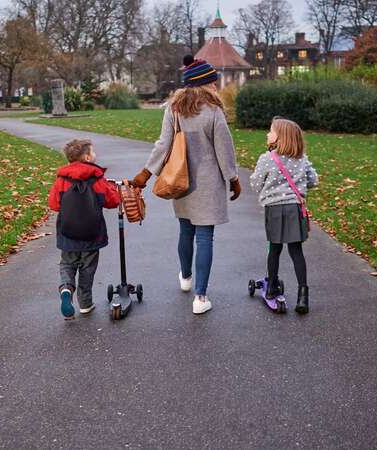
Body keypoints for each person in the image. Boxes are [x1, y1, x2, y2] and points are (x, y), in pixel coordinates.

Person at [130, 56, 240, 315]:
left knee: (185, 230)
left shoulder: (174, 109)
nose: (216, 86)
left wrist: (147, 173)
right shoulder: (213, 111)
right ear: (205, 84)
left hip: (181, 182)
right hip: (209, 183)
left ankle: (186, 277)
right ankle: (200, 297)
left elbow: (163, 144)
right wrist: (233, 179)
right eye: (213, 82)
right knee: (205, 238)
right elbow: (224, 149)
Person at [249, 117, 318, 314]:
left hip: (274, 209)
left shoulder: (266, 159)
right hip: (295, 209)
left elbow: (255, 184)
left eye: (271, 131)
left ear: (280, 138)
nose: (267, 134)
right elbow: (313, 180)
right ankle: (303, 295)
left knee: (275, 249)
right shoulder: (302, 159)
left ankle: (271, 287)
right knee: (296, 252)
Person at [48, 138, 120, 319]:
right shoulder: (96, 178)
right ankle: (85, 303)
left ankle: (66, 288)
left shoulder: (62, 179)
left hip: (68, 232)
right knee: (87, 268)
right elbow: (112, 201)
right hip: (92, 232)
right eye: (93, 152)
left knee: (67, 263)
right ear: (87, 157)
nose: (95, 155)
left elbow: (54, 204)